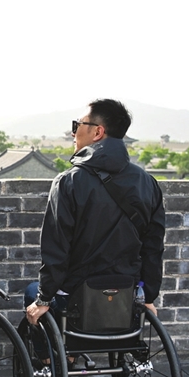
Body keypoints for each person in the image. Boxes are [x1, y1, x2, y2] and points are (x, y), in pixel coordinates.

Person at [25, 99, 164, 328]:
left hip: (76, 295)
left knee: (32, 293)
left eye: (77, 125)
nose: (73, 133)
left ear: (98, 132)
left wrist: (44, 298)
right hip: (124, 295)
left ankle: (49, 350)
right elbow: (153, 247)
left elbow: (56, 249)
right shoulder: (148, 183)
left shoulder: (69, 182)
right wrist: (148, 296)